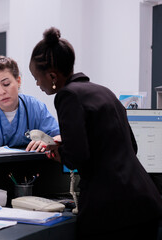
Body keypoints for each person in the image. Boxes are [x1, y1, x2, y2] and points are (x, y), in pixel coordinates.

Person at [29, 27, 162, 239]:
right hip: (145, 201)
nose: (37, 84)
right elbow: (132, 146)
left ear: (52, 75)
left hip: (113, 210)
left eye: (36, 78)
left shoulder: (67, 96)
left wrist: (59, 152)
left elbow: (78, 157)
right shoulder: (103, 91)